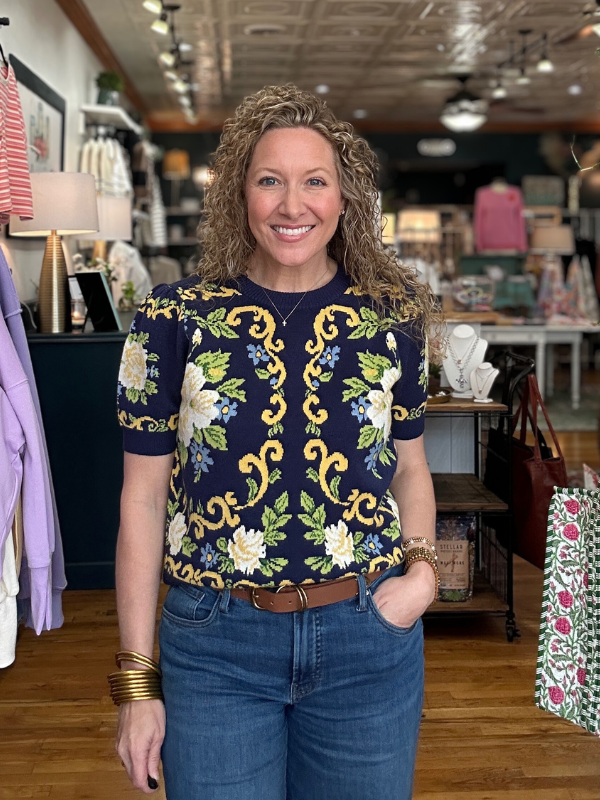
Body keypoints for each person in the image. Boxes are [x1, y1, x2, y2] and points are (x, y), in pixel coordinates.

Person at [112, 84, 443, 800]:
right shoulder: (172, 319)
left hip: (368, 636)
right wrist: (137, 684)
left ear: (345, 200)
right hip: (215, 645)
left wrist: (421, 578)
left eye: (314, 182)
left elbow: (411, 469)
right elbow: (139, 502)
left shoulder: (394, 319)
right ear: (240, 195)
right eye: (270, 181)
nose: (293, 206)